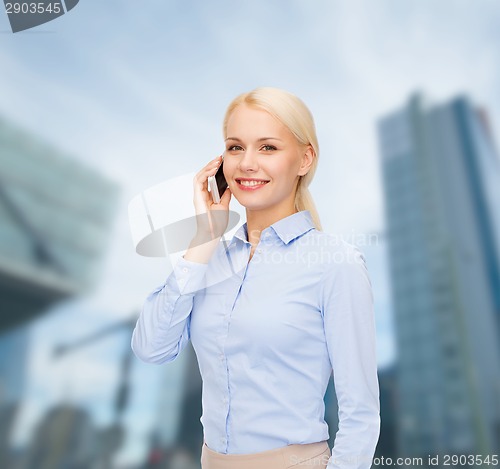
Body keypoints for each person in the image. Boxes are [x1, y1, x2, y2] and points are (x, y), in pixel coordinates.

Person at [131, 87, 380, 469]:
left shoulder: (336, 263)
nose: (247, 163)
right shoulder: (208, 259)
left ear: (304, 159)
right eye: (235, 147)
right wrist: (202, 240)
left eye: (267, 148)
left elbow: (361, 415)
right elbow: (152, 348)